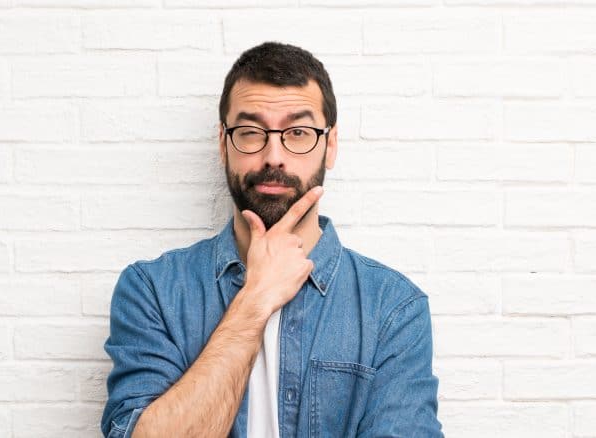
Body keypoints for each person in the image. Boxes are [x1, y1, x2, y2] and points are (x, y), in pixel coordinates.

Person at [100, 41, 444, 438]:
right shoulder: (153, 290)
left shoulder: (393, 307)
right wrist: (255, 299)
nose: (273, 156)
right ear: (223, 144)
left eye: (298, 132)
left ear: (329, 146)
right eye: (250, 132)